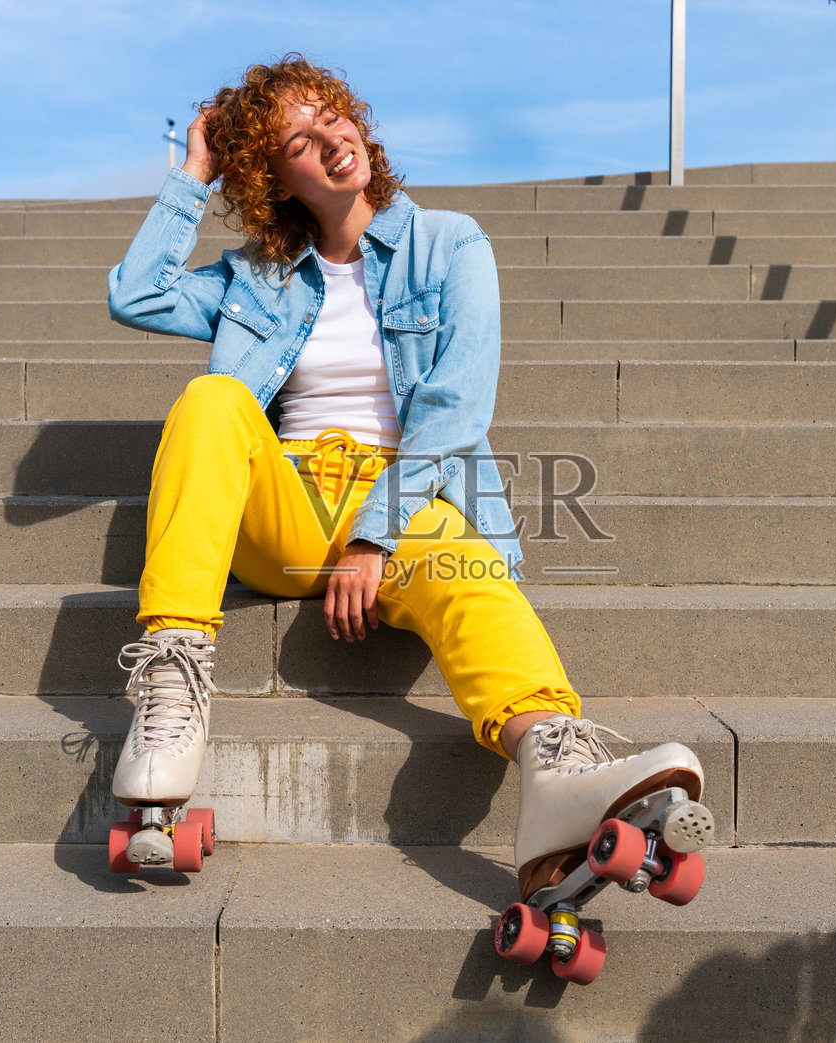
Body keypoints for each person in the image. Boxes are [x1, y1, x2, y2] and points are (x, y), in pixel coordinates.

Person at [104, 54, 709, 903]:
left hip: (405, 499)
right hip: (284, 508)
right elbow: (136, 294)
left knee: (468, 573)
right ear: (276, 180)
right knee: (211, 400)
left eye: (332, 117)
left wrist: (373, 534)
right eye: (298, 143)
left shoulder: (450, 243)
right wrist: (195, 173)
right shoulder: (256, 276)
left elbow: (454, 413)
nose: (330, 141)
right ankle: (172, 682)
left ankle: (558, 770)